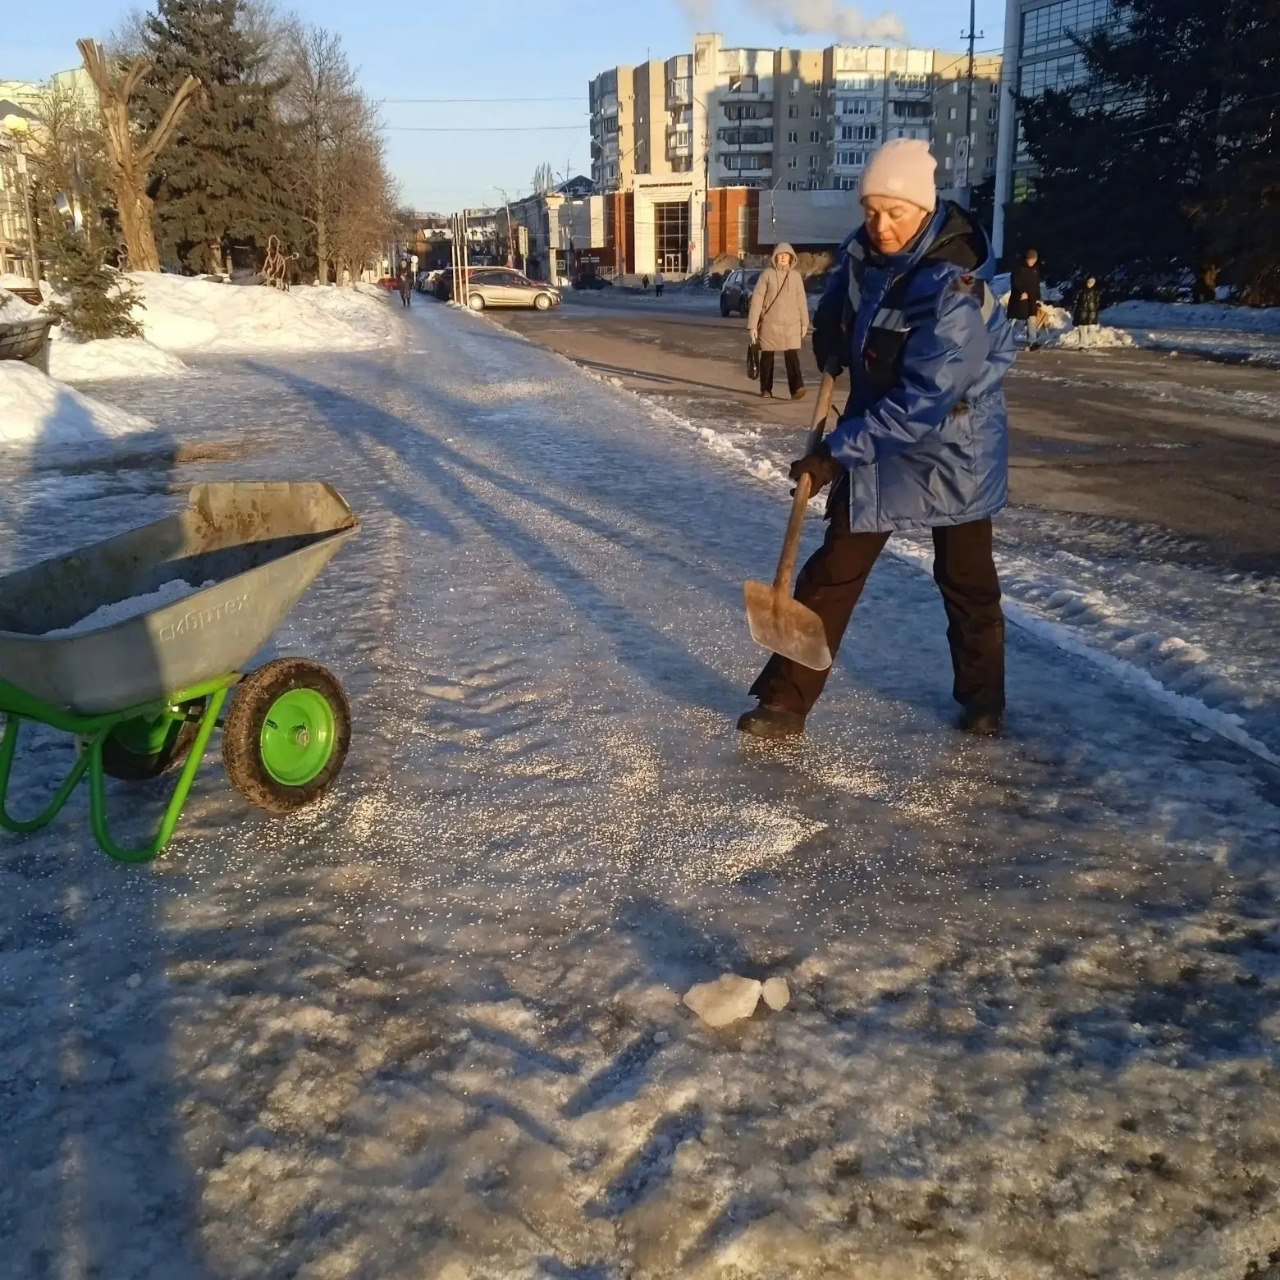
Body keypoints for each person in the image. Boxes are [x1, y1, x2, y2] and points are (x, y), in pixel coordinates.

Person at [738, 138, 1015, 741]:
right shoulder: (862, 253)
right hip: (878, 432)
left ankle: (983, 699)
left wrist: (835, 453)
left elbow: (925, 399)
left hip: (953, 445)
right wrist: (831, 342)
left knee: (965, 579)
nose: (881, 226)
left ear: (925, 209)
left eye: (896, 213)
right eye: (872, 211)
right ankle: (785, 702)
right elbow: (845, 297)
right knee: (834, 566)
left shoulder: (954, 285)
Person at [747, 242, 810, 401]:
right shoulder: (767, 275)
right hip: (770, 324)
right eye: (780, 255)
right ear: (775, 257)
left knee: (792, 358)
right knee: (767, 357)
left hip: (791, 325)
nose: (783, 257)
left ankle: (797, 389)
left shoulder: (795, 276)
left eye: (786, 255)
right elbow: (757, 300)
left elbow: (801, 300)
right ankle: (766, 389)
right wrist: (753, 325)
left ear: (791, 258)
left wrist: (804, 322)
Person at [1009, 248, 1043, 350]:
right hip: (1020, 298)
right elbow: (1015, 282)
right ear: (1027, 259)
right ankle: (1003, 338)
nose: (1032, 262)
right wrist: (1021, 292)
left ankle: (1032, 342)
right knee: (1013, 320)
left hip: (1031, 300)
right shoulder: (1019, 268)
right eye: (1030, 259)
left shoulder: (1035, 270)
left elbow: (1036, 285)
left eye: (1034, 260)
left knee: (1031, 319)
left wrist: (1038, 297)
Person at [1072, 274, 1102, 347]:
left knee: (1092, 329)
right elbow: (1075, 300)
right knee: (1083, 330)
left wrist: (1095, 309)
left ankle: (1087, 343)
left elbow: (1097, 302)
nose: (1090, 283)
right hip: (1082, 313)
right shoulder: (1081, 290)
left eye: (1092, 282)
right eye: (1089, 281)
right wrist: (1078, 309)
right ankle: (1083, 345)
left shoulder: (1096, 292)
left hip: (1092, 314)